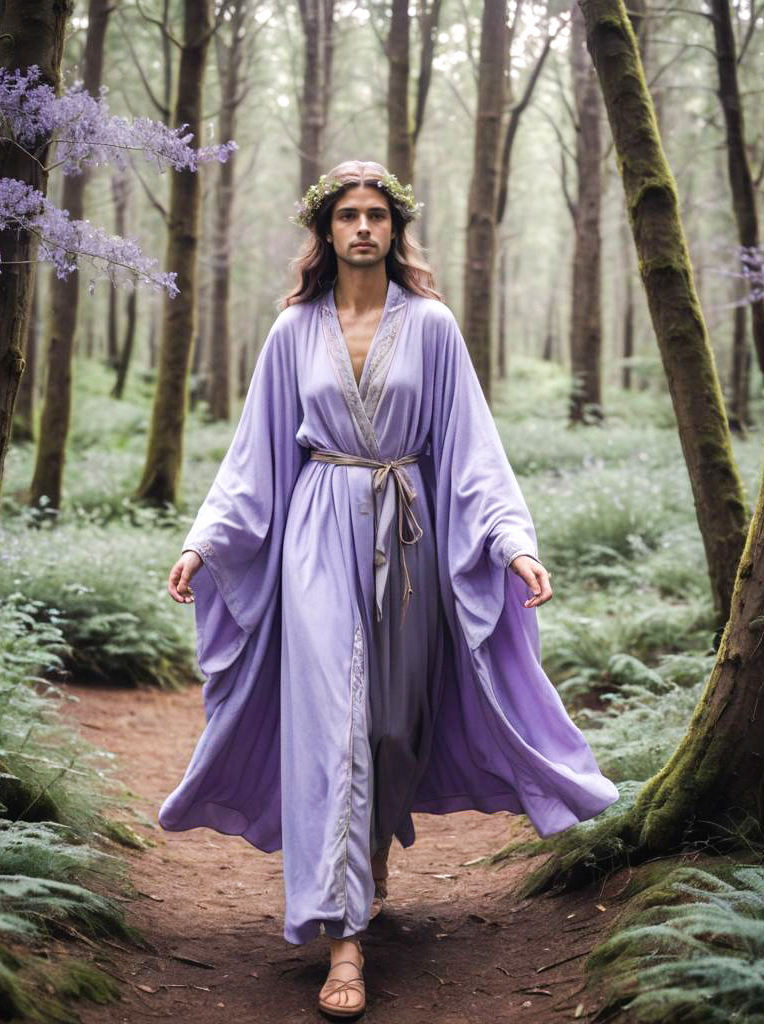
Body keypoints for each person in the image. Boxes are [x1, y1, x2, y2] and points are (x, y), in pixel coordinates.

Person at [161, 159, 619, 1019]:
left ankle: (371, 847)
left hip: (408, 536)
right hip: (318, 535)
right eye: (347, 215)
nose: (362, 227)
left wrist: (512, 543)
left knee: (394, 725)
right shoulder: (292, 331)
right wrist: (204, 542)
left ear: (395, 229)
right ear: (325, 231)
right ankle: (342, 943)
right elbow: (255, 456)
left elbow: (472, 448)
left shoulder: (435, 327)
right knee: (332, 720)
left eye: (376, 214)